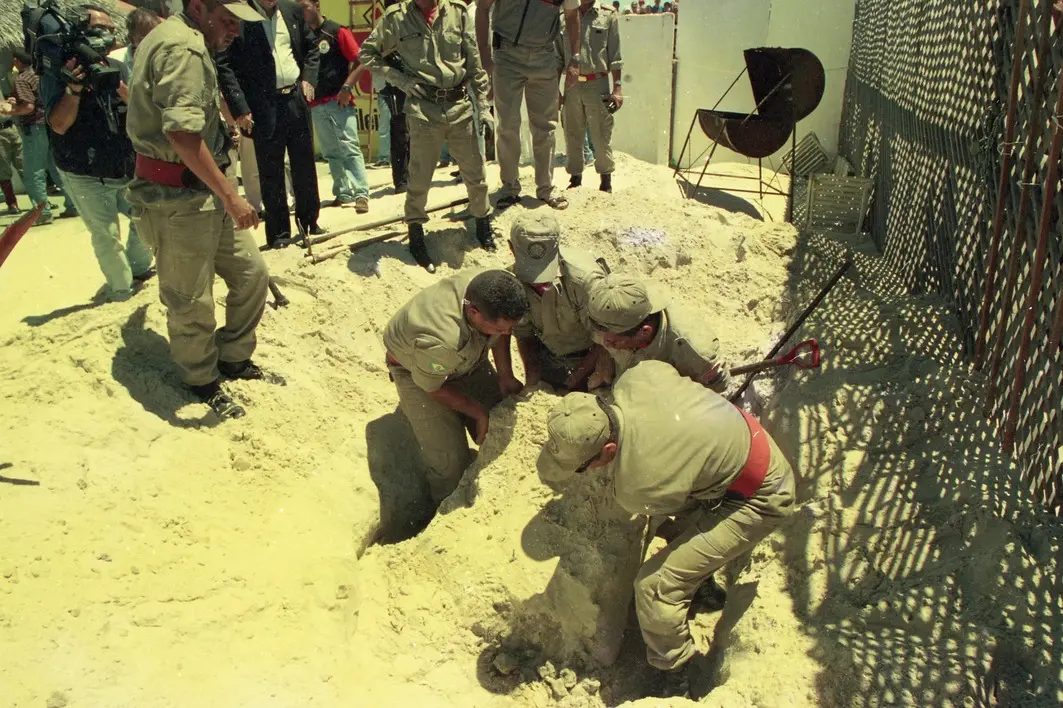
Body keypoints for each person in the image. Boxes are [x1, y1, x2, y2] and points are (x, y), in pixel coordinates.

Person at [536, 360, 795, 688]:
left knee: (655, 586)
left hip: (761, 495)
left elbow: (674, 504)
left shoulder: (637, 485)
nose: (584, 473)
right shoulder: (638, 375)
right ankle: (700, 586)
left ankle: (677, 670)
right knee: (676, 523)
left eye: (582, 467)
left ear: (609, 450)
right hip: (743, 439)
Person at [125, 0, 277, 420]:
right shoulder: (184, 48)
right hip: (177, 199)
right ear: (198, 7)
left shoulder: (186, 38)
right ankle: (201, 380)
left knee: (252, 274)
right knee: (191, 299)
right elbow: (181, 133)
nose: (234, 30)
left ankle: (232, 358)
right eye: (227, 20)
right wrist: (231, 195)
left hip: (202, 192)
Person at [360, 0, 497, 273]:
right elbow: (367, 54)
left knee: (475, 173)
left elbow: (474, 63)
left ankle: (482, 224)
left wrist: (483, 106)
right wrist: (401, 80)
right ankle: (416, 234)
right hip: (423, 110)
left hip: (459, 106)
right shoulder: (396, 17)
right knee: (420, 176)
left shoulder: (456, 13)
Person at [384, 269, 529, 510]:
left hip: (464, 358)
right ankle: (442, 510)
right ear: (473, 313)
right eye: (501, 328)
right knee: (451, 468)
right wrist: (477, 412)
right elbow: (431, 387)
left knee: (500, 421)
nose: (508, 333)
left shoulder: (489, 290)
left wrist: (505, 376)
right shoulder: (443, 341)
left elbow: (502, 330)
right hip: (418, 375)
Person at [40, 3, 155, 302]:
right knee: (106, 235)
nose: (106, 35)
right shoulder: (57, 73)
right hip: (82, 170)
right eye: (98, 29)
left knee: (147, 216)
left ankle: (140, 268)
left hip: (123, 164)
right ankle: (121, 290)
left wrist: (116, 84)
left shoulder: (116, 65)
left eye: (110, 30)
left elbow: (139, 110)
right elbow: (60, 125)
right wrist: (74, 89)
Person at [215, 0, 323, 248]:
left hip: (295, 98)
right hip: (263, 106)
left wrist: (309, 78)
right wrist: (240, 108)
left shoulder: (292, 11)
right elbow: (225, 65)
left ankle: (309, 222)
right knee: (270, 170)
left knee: (304, 164)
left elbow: (312, 48)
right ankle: (279, 235)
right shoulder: (242, 17)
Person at [476, 0, 582, 211]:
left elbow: (571, 16)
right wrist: (485, 57)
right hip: (506, 54)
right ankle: (509, 188)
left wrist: (575, 59)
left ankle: (546, 188)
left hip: (544, 55)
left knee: (546, 127)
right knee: (507, 125)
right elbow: (482, 8)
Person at [497, 211, 607, 391]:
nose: (538, 279)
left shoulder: (584, 282)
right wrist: (533, 380)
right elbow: (524, 334)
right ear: (511, 248)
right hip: (549, 358)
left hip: (594, 359)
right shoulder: (511, 283)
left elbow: (605, 339)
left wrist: (575, 381)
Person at [586, 275, 730, 393]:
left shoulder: (697, 354)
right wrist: (604, 358)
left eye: (613, 343)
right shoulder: (613, 304)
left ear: (644, 332)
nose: (606, 343)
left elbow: (717, 392)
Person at [299, 0, 371, 213]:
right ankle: (342, 193)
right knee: (330, 152)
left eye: (305, 6)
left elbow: (361, 60)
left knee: (349, 147)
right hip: (316, 104)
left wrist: (347, 88)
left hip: (338, 101)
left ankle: (361, 193)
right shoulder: (302, 36)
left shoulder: (336, 31)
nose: (302, 12)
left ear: (317, 5)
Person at [560, 0, 622, 193]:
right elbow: (557, 56)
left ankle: (606, 181)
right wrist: (556, 90)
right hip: (572, 84)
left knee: (601, 134)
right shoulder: (564, 16)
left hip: (598, 83)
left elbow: (615, 55)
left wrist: (618, 88)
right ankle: (575, 178)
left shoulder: (607, 15)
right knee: (572, 132)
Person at [9, 50, 77, 226]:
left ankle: (42, 211)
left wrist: (9, 110)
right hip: (49, 124)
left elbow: (28, 107)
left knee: (34, 172)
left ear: (17, 61)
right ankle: (73, 204)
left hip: (34, 128)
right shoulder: (38, 75)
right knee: (55, 168)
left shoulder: (22, 79)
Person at [109, 7, 165, 83]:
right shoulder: (114, 62)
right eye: (146, 40)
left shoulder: (170, 58)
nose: (154, 44)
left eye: (158, 37)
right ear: (132, 39)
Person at [0, 88, 24, 215]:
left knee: (24, 166)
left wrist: (10, 101)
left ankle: (40, 202)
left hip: (11, 127)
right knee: (3, 171)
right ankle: (12, 204)